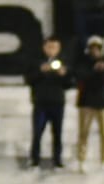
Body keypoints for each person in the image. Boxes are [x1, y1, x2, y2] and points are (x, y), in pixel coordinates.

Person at [26, 37, 73, 169]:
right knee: (37, 132)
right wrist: (41, 71)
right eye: (49, 47)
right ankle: (34, 159)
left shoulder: (63, 63)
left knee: (57, 133)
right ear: (44, 47)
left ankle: (57, 159)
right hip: (40, 103)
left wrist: (63, 74)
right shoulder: (36, 62)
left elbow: (69, 84)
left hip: (57, 103)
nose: (52, 50)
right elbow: (29, 79)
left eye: (55, 47)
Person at [74, 37, 104, 172]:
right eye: (93, 47)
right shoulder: (83, 61)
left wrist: (103, 70)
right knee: (83, 133)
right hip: (87, 101)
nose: (95, 50)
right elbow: (80, 76)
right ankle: (81, 159)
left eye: (98, 48)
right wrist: (94, 70)